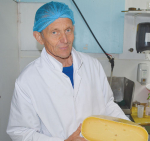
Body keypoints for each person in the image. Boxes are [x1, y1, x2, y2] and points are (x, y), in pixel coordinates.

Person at [7, 1, 129, 141]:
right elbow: (20, 132)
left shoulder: (92, 65)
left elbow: (107, 105)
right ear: (39, 37)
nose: (64, 39)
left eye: (68, 30)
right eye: (54, 32)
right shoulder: (28, 80)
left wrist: (131, 131)